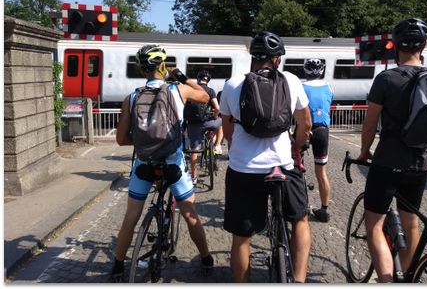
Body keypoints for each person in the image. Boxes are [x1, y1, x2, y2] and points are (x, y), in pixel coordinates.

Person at [111, 44, 213, 282]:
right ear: (163, 66)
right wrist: (183, 78)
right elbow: (206, 97)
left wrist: (142, 143)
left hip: (144, 164)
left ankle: (117, 266)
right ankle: (207, 259)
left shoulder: (132, 97)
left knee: (131, 216)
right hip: (173, 163)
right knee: (189, 212)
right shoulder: (179, 90)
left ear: (140, 69)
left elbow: (120, 139)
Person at [219, 31, 313, 283]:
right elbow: (305, 122)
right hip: (282, 164)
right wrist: (297, 147)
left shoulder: (231, 84)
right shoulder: (291, 81)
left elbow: (227, 127)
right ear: (277, 60)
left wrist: (234, 146)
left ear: (252, 57)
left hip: (243, 168)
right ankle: (300, 281)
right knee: (301, 221)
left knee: (242, 238)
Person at [356, 18, 427, 282]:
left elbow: (369, 124)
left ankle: (388, 282)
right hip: (420, 164)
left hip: (387, 163)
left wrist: (364, 152)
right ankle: (411, 278)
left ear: (395, 46)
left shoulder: (387, 78)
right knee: (411, 223)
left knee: (374, 223)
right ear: (424, 45)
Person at [296, 58, 333, 223]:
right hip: (322, 131)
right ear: (322, 71)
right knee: (321, 173)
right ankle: (324, 210)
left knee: (295, 167)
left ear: (305, 70)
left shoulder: (301, 87)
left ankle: (298, 205)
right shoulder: (329, 87)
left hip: (304, 129)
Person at [185, 70, 223, 185]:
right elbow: (217, 108)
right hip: (209, 123)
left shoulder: (190, 90)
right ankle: (217, 145)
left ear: (198, 79)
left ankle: (194, 177)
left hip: (193, 125)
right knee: (221, 122)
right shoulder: (210, 91)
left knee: (194, 151)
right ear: (208, 80)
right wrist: (216, 117)